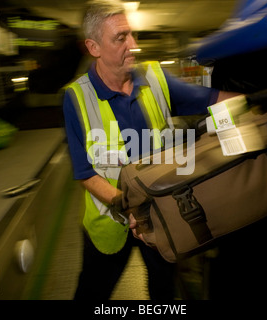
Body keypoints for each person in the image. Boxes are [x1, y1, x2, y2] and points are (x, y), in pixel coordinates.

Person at [62, 0, 239, 300]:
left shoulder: (155, 79)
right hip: (109, 224)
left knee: (163, 291)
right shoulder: (76, 97)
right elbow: (84, 173)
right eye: (121, 38)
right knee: (91, 293)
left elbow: (213, 98)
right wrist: (127, 204)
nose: (133, 45)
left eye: (132, 35)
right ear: (94, 47)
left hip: (162, 217)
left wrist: (259, 104)